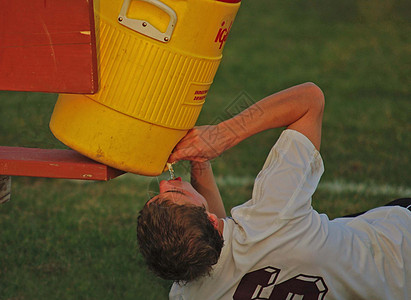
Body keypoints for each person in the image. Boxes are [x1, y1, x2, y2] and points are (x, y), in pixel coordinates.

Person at [137, 83, 411, 299]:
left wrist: (200, 164)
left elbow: (222, 246)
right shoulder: (274, 216)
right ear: (209, 220)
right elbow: (309, 100)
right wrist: (220, 136)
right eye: (175, 194)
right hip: (399, 255)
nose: (164, 184)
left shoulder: (190, 293)